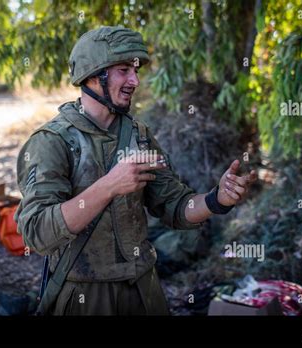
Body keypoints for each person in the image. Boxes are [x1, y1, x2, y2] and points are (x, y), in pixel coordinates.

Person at [14, 26, 257, 315]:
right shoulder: (52, 142)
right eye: (123, 70)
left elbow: (174, 205)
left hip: (144, 290)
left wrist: (217, 199)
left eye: (135, 70)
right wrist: (109, 186)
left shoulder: (138, 134)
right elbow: (37, 233)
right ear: (93, 74)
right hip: (85, 296)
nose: (135, 80)